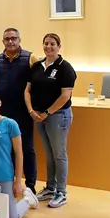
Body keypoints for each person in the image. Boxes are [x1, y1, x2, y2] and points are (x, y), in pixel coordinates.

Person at [25, 33, 76, 208]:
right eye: (46, 43)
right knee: (49, 153)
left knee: (59, 154)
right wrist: (32, 110)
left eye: (52, 44)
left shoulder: (65, 68)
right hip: (39, 116)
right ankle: (50, 187)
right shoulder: (37, 66)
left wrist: (47, 112)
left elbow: (64, 96)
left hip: (58, 116)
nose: (49, 47)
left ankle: (61, 192)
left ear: (59, 46)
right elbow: (28, 90)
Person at [0, 91, 38, 218]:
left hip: (4, 175)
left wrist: (17, 182)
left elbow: (19, 153)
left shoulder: (10, 124)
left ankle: (27, 200)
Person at [0, 27, 39, 193]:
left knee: (27, 148)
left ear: (19, 40)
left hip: (23, 110)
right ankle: (9, 181)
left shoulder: (31, 57)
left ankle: (31, 185)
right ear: (3, 41)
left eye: (14, 38)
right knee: (6, 147)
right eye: (7, 39)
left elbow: (37, 84)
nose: (10, 41)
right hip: (4, 111)